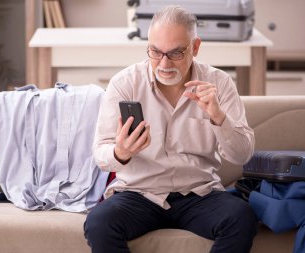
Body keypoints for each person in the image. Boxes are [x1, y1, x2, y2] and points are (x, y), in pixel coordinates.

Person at [84, 5, 258, 253]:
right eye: (155, 52)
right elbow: (101, 154)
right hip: (139, 193)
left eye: (176, 53)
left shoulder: (218, 83)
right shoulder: (125, 83)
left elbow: (242, 155)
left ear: (195, 47)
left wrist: (219, 117)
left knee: (242, 217)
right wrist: (120, 152)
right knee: (99, 222)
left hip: (199, 194)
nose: (163, 63)